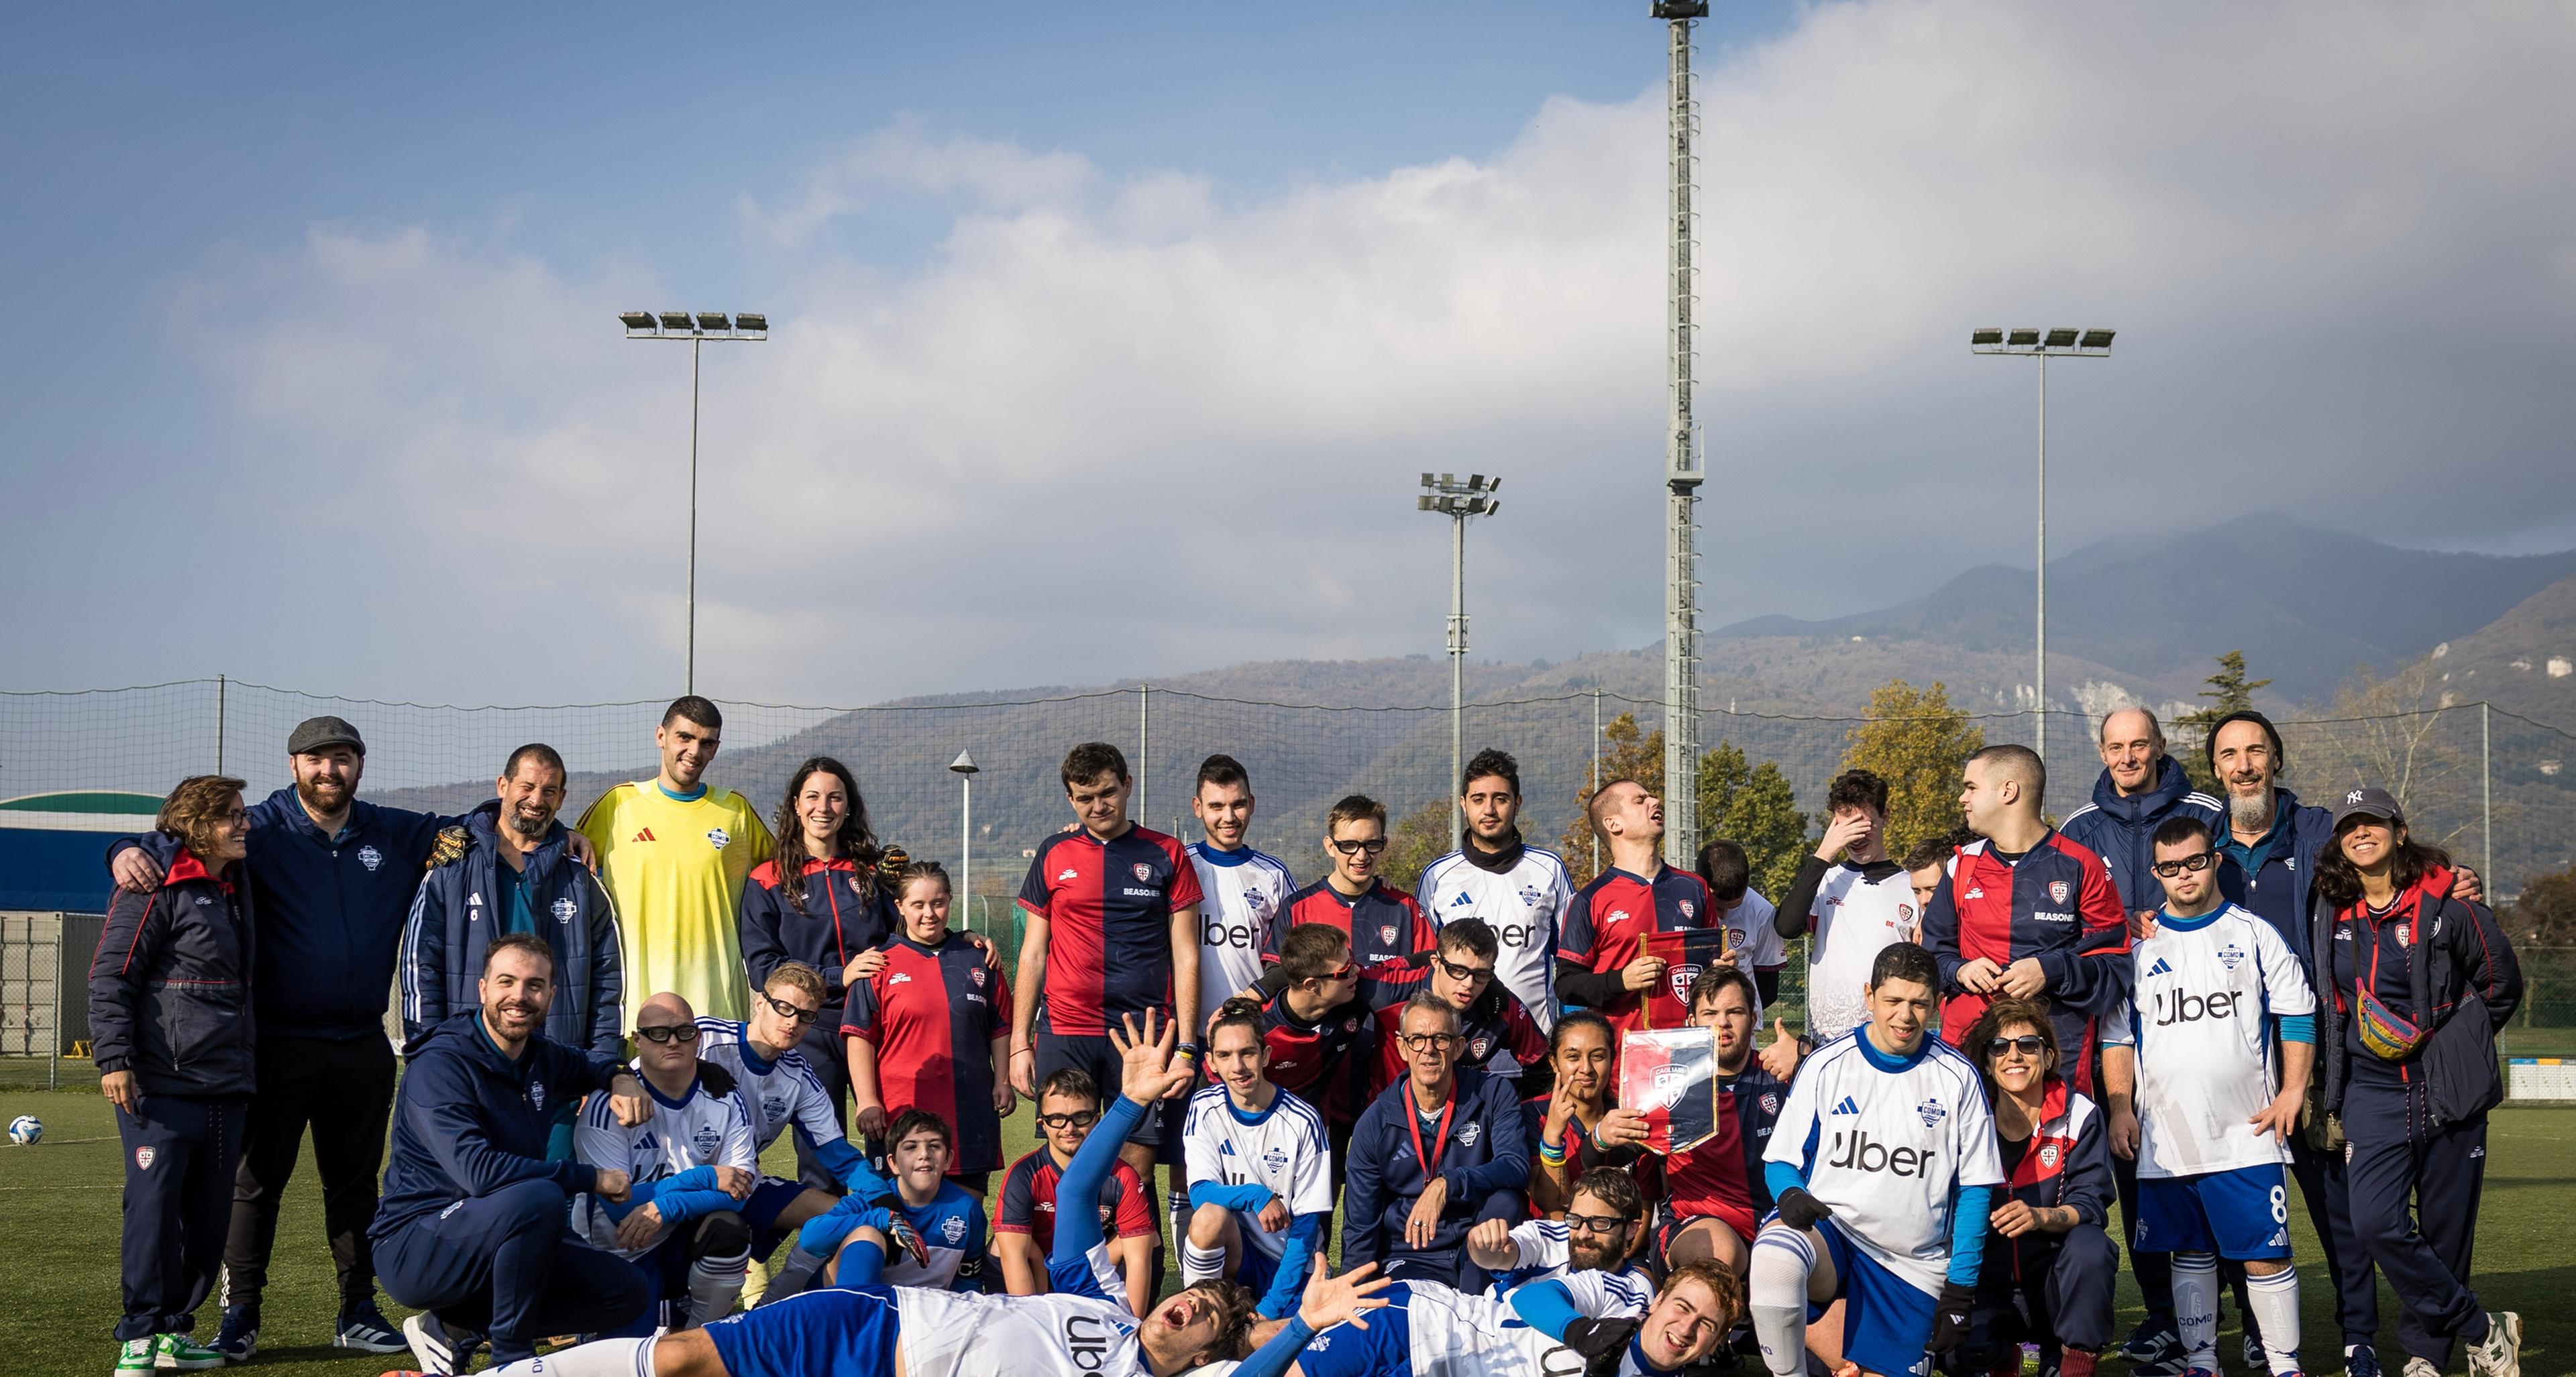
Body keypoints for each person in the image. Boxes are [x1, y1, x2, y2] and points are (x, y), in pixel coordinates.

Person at [480, 1010, 1265, 1377]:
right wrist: (1128, 1105)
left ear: (1204, 1361)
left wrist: (1298, 1318)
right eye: (1200, 1299)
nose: (1187, 1303)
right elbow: (1087, 1180)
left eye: (1206, 1320)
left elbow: (1270, 1362)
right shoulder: (1104, 1308)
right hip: (873, 1322)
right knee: (685, 1357)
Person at [106, 716, 478, 1358]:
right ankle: (242, 1314)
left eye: (341, 758)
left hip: (363, 1042)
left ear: (360, 765)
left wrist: (557, 834)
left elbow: (480, 821)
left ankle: (357, 1309)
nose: (328, 770)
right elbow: (169, 840)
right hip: (274, 1043)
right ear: (292, 765)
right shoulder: (260, 827)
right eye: (316, 759)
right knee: (255, 1185)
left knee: (358, 1184)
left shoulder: (390, 830)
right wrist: (115, 847)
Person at [2311, 787, 2523, 1377]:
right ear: (2339, 841)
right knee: (2377, 1222)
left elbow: (2500, 981)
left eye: (2373, 822)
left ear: (2399, 832)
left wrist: (2459, 1045)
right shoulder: (2330, 906)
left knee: (2445, 1228)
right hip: (2372, 1090)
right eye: (2350, 825)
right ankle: (2483, 1326)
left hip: (2445, 1084)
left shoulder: (2448, 903)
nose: (2361, 833)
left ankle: (2427, 1354)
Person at [373, 932, 655, 1374]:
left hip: (502, 1231)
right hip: (419, 1245)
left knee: (625, 1289)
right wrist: (591, 1178)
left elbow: (593, 1063)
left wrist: (621, 1076)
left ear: (551, 995)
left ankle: (458, 1329)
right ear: (483, 987)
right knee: (539, 1197)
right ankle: (512, 1359)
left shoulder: (540, 1056)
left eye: (534, 985)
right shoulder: (441, 1064)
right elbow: (480, 1173)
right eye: (506, 982)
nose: (519, 996)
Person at [2096, 814, 2317, 1377]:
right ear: (2156, 873)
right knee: (2189, 1252)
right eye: (2170, 867)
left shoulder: (2253, 932)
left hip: (2247, 1132)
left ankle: (2284, 1365)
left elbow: (2297, 1012)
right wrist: (2121, 1107)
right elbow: (2116, 1036)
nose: (2184, 874)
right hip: (2168, 1135)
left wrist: (2294, 1089)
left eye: (2194, 861)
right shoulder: (2140, 948)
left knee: (2266, 1252)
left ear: (2214, 859)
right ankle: (2201, 1361)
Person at [1746, 943, 2001, 1377]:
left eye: (1919, 1003)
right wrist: (1790, 1193)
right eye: (1893, 1001)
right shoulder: (1827, 1065)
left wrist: (1959, 1290)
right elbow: (1781, 1161)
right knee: (1775, 1256)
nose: (1905, 1015)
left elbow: (1976, 1192)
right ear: (1870, 995)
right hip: (1834, 1237)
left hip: (1912, 1264)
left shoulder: (1959, 1077)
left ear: (1936, 1002)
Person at [1009, 741, 1205, 1243]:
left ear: (1127, 786)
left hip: (1140, 1036)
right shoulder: (1054, 852)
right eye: (1083, 797)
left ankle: (1135, 1295)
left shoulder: (1165, 853)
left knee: (1133, 1170)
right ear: (1070, 799)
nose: (1097, 806)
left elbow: (1186, 955)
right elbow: (1032, 954)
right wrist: (1019, 1042)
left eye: (1107, 793)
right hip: (1066, 1029)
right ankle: (1065, 1285)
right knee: (1064, 1163)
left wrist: (1185, 1045)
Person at [93, 775, 256, 1375]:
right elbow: (112, 976)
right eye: (232, 816)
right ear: (196, 824)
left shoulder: (238, 881)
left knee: (209, 1222)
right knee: (154, 1210)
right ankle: (139, 1333)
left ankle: (174, 1332)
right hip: (160, 1083)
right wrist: (114, 1059)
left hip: (227, 1085)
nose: (245, 824)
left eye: (244, 814)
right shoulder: (157, 882)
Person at [402, 743, 626, 1157]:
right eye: (527, 787)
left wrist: (595, 1070)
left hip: (555, 1077)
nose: (536, 800)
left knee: (554, 1200)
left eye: (549, 791)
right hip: (468, 1072)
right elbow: (421, 966)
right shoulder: (451, 868)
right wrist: (429, 1056)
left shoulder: (582, 878)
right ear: (503, 786)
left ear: (561, 799)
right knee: (475, 1201)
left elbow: (609, 982)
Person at [1922, 745, 2130, 1096]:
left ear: (2008, 790)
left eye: (1971, 787)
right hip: (1970, 1062)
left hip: (2056, 1067)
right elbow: (1931, 959)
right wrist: (1960, 971)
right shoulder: (1961, 867)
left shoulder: (2082, 865)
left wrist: (2051, 970)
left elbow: (2114, 970)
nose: (1962, 798)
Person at [737, 757, 896, 1191]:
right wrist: (836, 975)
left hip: (875, 1026)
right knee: (822, 1163)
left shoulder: (872, 872)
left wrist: (965, 938)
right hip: (811, 1031)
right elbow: (763, 967)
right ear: (795, 804)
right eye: (813, 796)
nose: (823, 806)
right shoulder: (768, 879)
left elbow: (911, 931)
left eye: (834, 797)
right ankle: (830, 1257)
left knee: (891, 1149)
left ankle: (891, 1248)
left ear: (848, 806)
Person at [577, 696, 775, 1025]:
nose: (694, 752)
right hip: (636, 1007)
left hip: (716, 1007)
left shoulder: (735, 812)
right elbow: (566, 857)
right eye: (685, 737)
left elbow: (786, 873)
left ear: (715, 748)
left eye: (706, 743)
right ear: (661, 737)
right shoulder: (618, 805)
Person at [571, 993, 759, 1332]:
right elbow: (618, 1208)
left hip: (680, 1241)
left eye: (684, 1032)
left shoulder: (727, 1098)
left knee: (728, 1229)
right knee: (627, 1364)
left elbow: (740, 1190)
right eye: (659, 1033)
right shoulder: (606, 1106)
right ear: (638, 1041)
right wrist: (705, 1176)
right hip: (620, 1252)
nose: (673, 1041)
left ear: (697, 1038)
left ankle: (700, 1336)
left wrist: (668, 1207)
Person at [1955, 997, 2118, 1377]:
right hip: (1989, 1284)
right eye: (2000, 1046)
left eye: (2028, 1045)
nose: (2015, 1055)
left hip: (2055, 1287)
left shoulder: (2080, 1114)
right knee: (1962, 1354)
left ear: (2047, 1056)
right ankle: (2002, 1357)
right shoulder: (1966, 1119)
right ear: (1987, 1060)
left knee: (2091, 1246)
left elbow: (2092, 1202)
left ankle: (2072, 1363)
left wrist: (2040, 1216)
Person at [691, 961, 893, 1258]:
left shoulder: (798, 1075)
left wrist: (884, 1198)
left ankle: (784, 1297)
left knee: (846, 1219)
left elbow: (838, 1153)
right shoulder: (706, 1037)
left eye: (806, 1016)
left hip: (741, 1182)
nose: (792, 1022)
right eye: (784, 1008)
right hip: (672, 1174)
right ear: (761, 1003)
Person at [1232, 1259, 1739, 1377]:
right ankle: (1250, 1334)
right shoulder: (1620, 1298)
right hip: (1418, 1324)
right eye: (1683, 1306)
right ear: (1657, 1300)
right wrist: (1580, 1331)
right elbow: (1528, 1301)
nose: (1686, 1328)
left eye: (1706, 1326)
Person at [1341, 993, 1534, 1289]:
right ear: (1402, 1047)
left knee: (1505, 1200)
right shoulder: (1375, 1122)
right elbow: (1360, 1225)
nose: (1429, 1050)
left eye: (1440, 1039)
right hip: (1414, 1252)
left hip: (1479, 1242)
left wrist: (1447, 1183)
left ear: (1458, 1047)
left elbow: (1515, 1165)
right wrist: (1351, 1293)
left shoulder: (1494, 1093)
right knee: (1420, 1324)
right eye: (1417, 1039)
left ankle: (1479, 1295)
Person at [844, 861, 1014, 1193]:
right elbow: (860, 1036)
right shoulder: (878, 964)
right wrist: (867, 1101)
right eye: (918, 905)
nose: (929, 914)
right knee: (900, 1223)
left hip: (969, 1109)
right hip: (899, 1109)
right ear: (900, 907)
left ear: (950, 901)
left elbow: (1000, 1024)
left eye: (938, 903)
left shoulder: (978, 958)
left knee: (963, 1219)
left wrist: (1003, 1080)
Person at [1181, 999, 1333, 1321]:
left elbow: (1305, 1231)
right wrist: (1257, 1195)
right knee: (1209, 1217)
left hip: (1290, 1261)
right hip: (1239, 1252)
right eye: (1225, 1056)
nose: (1237, 1067)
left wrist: (1270, 1309)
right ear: (1210, 1062)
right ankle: (1198, 1318)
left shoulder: (1304, 1121)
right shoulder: (1204, 1108)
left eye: (1247, 1053)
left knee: (1278, 1351)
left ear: (1265, 1055)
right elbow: (1200, 1192)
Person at [1416, 749, 1577, 1031]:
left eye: (1500, 799)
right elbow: (1425, 965)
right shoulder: (1438, 876)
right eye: (1479, 799)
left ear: (1518, 803)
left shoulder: (1549, 869)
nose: (1489, 810)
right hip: (1458, 1042)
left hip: (1536, 1041)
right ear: (1464, 805)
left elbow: (1570, 962)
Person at [1651, 966, 1791, 1282]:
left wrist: (1806, 1057)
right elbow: (1618, 1157)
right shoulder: (1667, 1083)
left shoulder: (1781, 1075)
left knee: (1793, 1263)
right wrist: (1604, 1139)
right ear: (1691, 1023)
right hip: (1698, 1222)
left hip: (1777, 1221)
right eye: (1709, 1013)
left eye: (1735, 1012)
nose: (1722, 1023)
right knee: (1720, 1253)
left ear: (1754, 1020)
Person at [995, 1068, 1162, 1316]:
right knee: (1000, 1245)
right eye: (1057, 1118)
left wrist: (1132, 1327)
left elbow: (1138, 1258)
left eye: (1081, 1117)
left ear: (1098, 1118)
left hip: (1096, 1273)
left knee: (1147, 1239)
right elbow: (1014, 1256)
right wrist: (1032, 1323)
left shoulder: (1122, 1175)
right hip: (1040, 1270)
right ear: (1042, 1122)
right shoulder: (1024, 1174)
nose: (1069, 1128)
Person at [1774, 770, 1920, 1049]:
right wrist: (1824, 853)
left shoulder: (1910, 887)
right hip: (1827, 1042)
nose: (1855, 836)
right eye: (1845, 825)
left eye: (1863, 824)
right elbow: (1787, 927)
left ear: (1885, 816)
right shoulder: (1826, 880)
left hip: (1887, 1041)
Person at [1556, 779, 1714, 1032]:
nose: (1655, 801)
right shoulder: (1590, 898)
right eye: (1640, 801)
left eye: (1651, 797)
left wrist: (1723, 966)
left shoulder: (1695, 888)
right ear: (1613, 824)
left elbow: (1710, 966)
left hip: (1692, 1048)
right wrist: (1621, 980)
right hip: (1623, 1053)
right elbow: (1566, 986)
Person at [1364, 918, 1548, 1095]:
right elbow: (1345, 976)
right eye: (1458, 971)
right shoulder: (1391, 989)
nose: (1468, 984)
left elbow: (1542, 1068)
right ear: (1436, 963)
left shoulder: (1502, 1005)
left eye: (1481, 974)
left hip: (1466, 1116)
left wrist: (1523, 1114)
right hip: (1391, 1114)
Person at [1184, 753, 1299, 1021]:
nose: (1229, 817)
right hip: (1187, 1033)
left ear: (1252, 804)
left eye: (1238, 805)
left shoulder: (1274, 875)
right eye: (1216, 806)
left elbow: (1298, 953)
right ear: (1197, 807)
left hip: (1252, 1031)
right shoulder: (1179, 865)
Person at [1254, 923, 1379, 1169]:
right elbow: (1211, 1088)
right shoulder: (1258, 1030)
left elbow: (1409, 965)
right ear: (1311, 985)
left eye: (1352, 960)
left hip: (1317, 1133)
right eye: (1344, 971)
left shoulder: (1349, 997)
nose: (1355, 971)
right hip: (1261, 1135)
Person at [1279, 793, 1436, 972]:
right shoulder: (1297, 908)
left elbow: (1430, 976)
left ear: (1384, 843)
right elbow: (1278, 975)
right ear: (1330, 847)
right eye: (1348, 845)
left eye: (1372, 844)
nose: (1361, 856)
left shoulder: (1406, 908)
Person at [1466, 1166, 1656, 1305]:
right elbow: (1498, 1256)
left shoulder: (1638, 1290)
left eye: (1600, 1223)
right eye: (1575, 1220)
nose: (1583, 1234)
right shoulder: (1546, 1238)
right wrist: (1480, 1245)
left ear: (1631, 1229)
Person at [1522, 1011, 1633, 1216]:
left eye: (1598, 1056)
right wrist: (1552, 1136)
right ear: (1554, 1062)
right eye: (1573, 1057)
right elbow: (1553, 1205)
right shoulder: (1533, 1114)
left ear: (1612, 1060)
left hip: (1620, 1239)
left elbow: (1644, 1206)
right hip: (1556, 1238)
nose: (1586, 1068)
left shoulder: (1628, 1115)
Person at [1697, 838, 1786, 1007]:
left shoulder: (1763, 911)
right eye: (1717, 907)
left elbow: (1768, 990)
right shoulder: (1683, 904)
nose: (1724, 915)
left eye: (1734, 907)